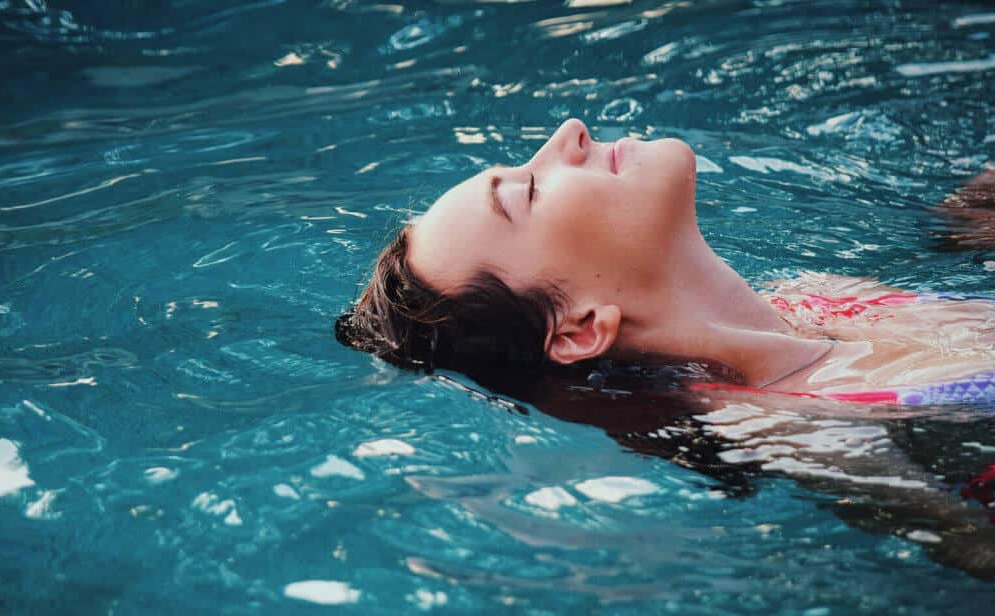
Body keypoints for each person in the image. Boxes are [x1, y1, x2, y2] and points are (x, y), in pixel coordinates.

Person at [336, 118, 995, 403]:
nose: (569, 133)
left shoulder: (817, 295)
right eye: (529, 191)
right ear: (578, 330)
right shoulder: (826, 421)